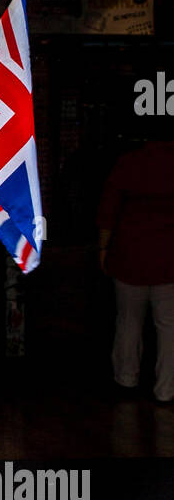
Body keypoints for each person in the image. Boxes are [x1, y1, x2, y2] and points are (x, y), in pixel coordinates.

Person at [97, 123, 174, 405]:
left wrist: (103, 247)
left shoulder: (129, 163)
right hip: (169, 259)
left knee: (128, 322)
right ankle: (167, 389)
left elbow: (108, 209)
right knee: (169, 327)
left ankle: (126, 379)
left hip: (129, 255)